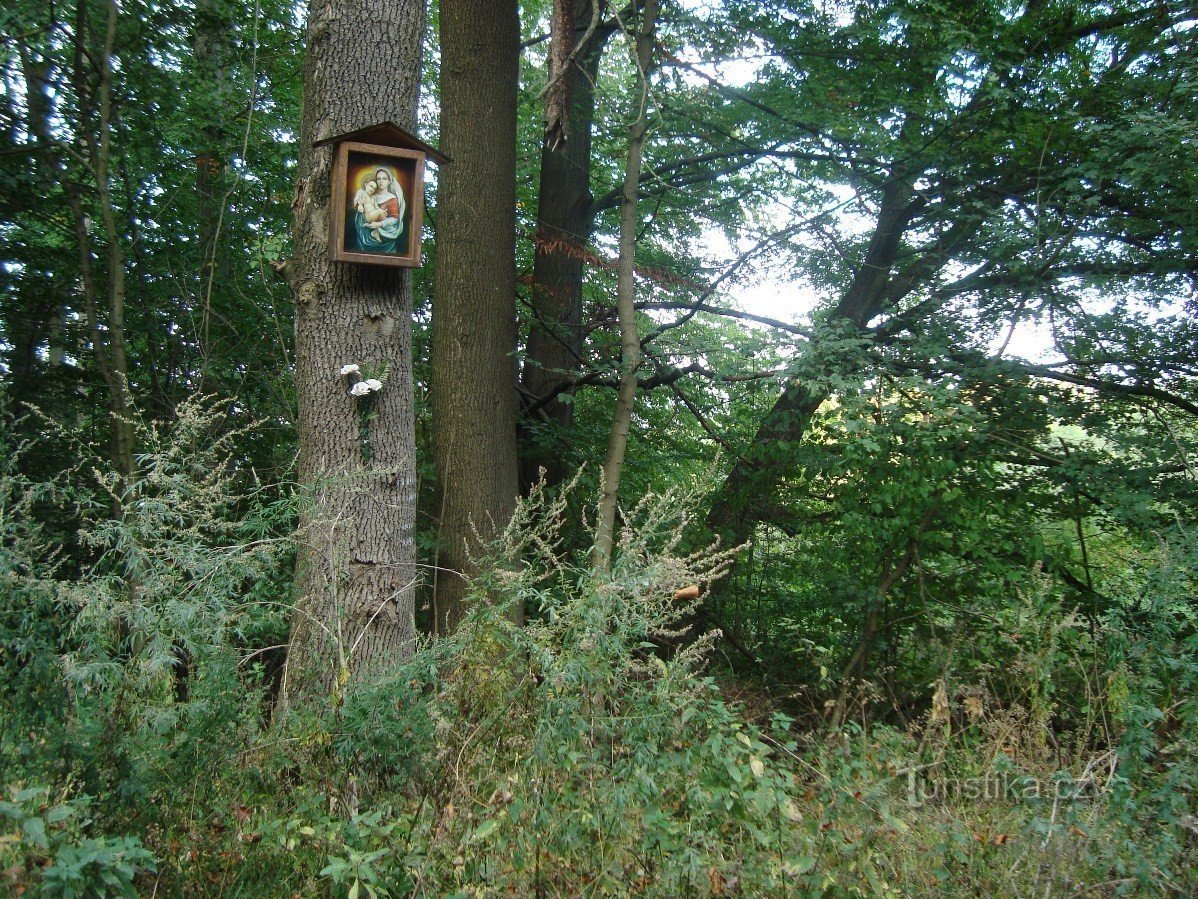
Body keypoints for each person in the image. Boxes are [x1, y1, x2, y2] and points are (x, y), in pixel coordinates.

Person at [354, 167, 406, 253]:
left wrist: (379, 224)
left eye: (384, 179)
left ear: (389, 181)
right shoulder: (370, 194)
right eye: (378, 179)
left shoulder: (392, 199)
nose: (381, 181)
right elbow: (358, 208)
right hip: (364, 231)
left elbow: (394, 219)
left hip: (384, 235)